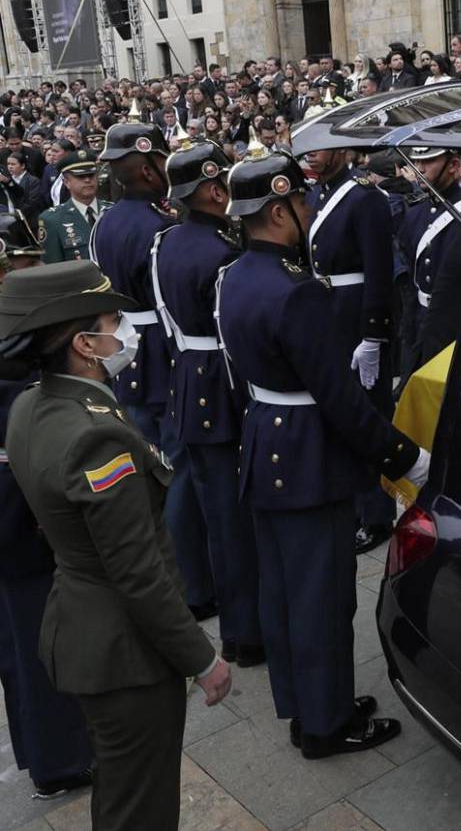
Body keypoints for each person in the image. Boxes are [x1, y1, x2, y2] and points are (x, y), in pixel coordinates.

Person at [0, 260, 231, 829]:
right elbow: (138, 572)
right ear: (84, 343)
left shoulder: (33, 404)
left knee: (123, 788)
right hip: (125, 653)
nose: (125, 331)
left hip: (81, 626)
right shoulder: (95, 436)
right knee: (142, 806)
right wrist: (202, 660)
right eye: (113, 321)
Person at [217, 149, 425, 758]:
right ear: (280, 210)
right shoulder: (296, 292)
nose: (309, 209)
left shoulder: (233, 276)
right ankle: (328, 724)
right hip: (309, 456)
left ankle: (306, 705)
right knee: (323, 597)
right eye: (302, 202)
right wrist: (402, 456)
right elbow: (338, 398)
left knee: (283, 591)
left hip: (265, 442)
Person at [93, 120, 215, 621]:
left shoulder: (104, 223)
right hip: (164, 350)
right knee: (180, 470)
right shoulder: (160, 227)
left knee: (151, 467)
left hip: (128, 355)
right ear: (147, 167)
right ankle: (192, 583)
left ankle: (171, 572)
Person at [152, 139, 264, 668]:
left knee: (213, 511)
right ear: (214, 189)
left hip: (186, 379)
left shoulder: (167, 242)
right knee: (232, 520)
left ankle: (234, 618)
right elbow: (231, 334)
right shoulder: (223, 252)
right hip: (219, 385)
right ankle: (245, 632)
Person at [0, 217, 93, 802]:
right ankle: (58, 759)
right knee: (35, 634)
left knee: (17, 638)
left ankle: (43, 749)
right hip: (13, 502)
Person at [303, 145, 396, 551]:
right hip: (329, 317)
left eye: (318, 150)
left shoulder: (365, 197)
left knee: (369, 416)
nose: (310, 158)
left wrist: (373, 335)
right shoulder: (316, 194)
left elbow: (379, 272)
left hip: (358, 319)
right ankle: (353, 504)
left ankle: (377, 514)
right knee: (341, 415)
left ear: (341, 151)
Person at [396, 147, 461, 376]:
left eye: (429, 161)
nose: (419, 169)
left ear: (453, 166)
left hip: (454, 324)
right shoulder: (415, 213)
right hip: (420, 321)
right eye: (416, 161)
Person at [39, 149, 110, 263]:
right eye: (80, 176)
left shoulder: (113, 211)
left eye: (91, 175)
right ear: (67, 182)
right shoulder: (52, 219)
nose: (87, 180)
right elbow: (53, 267)